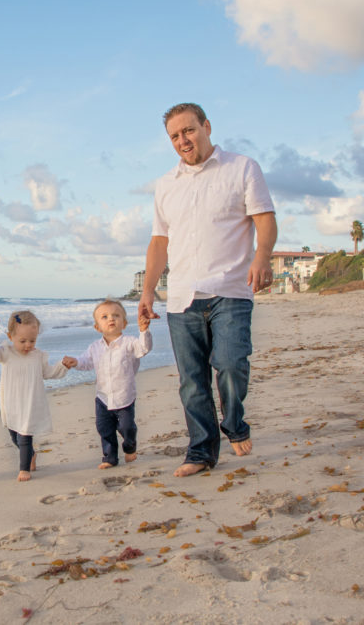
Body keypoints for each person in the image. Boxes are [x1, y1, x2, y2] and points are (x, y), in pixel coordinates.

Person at [138, 103, 277, 477]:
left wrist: (262, 257)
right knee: (192, 383)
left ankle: (234, 423)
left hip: (230, 289)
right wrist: (148, 291)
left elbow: (265, 219)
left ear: (207, 127)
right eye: (175, 136)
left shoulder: (242, 167)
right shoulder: (166, 185)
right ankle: (201, 452)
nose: (183, 140)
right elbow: (158, 243)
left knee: (231, 365)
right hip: (182, 297)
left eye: (189, 130)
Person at [62, 299, 152, 469]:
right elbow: (86, 362)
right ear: (97, 327)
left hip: (124, 396)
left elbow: (144, 349)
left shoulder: (130, 343)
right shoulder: (94, 347)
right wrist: (75, 362)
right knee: (104, 429)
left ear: (124, 323)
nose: (111, 319)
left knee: (126, 427)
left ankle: (130, 445)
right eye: (104, 317)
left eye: (116, 315)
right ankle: (110, 457)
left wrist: (144, 331)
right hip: (102, 397)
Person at [0, 310, 68, 481]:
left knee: (25, 436)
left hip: (30, 404)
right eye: (23, 341)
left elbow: (49, 373)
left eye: (32, 340)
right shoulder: (6, 352)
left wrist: (62, 365)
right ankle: (31, 455)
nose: (28, 345)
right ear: (10, 336)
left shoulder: (38, 356)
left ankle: (24, 469)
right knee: (15, 437)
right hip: (11, 404)